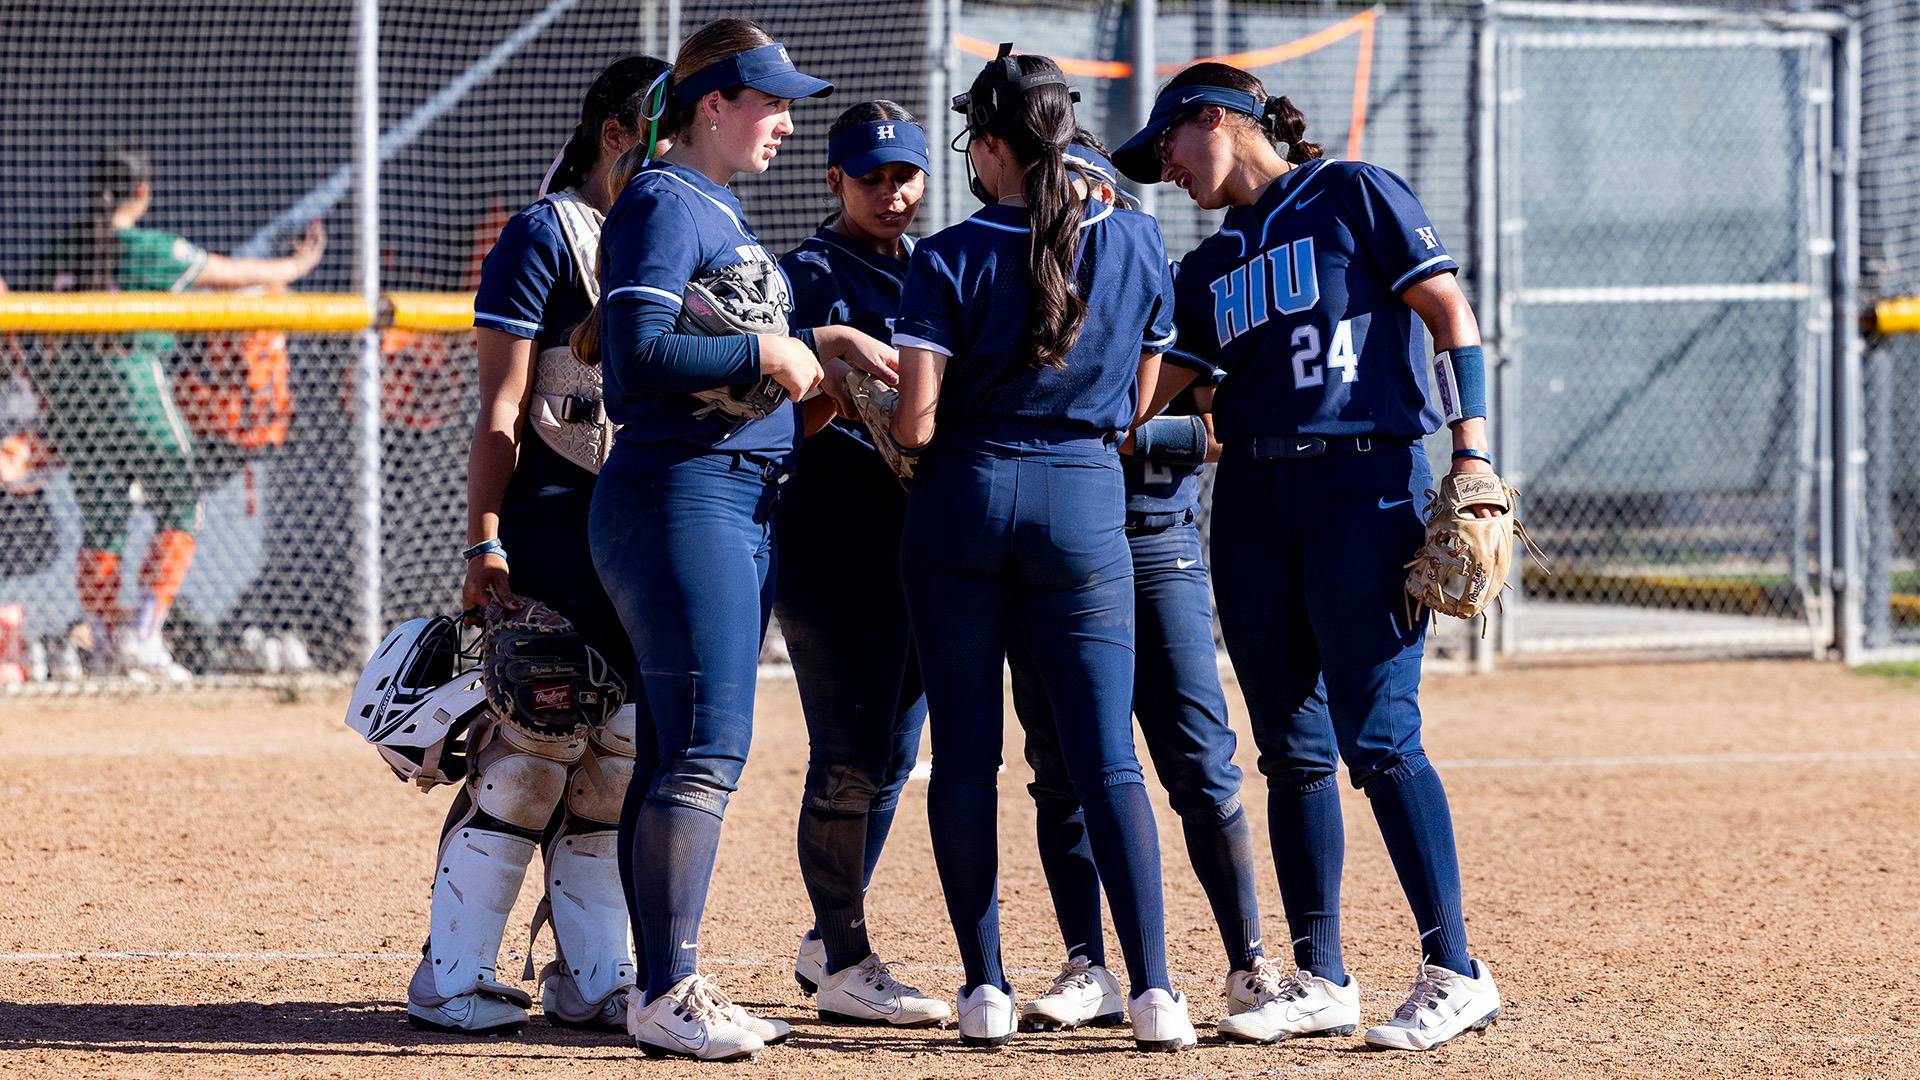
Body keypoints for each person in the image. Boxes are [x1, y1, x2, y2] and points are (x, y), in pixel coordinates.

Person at [1112, 63, 1504, 1051]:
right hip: (1250, 498)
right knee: (1291, 748)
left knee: (1379, 735)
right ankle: (1321, 974)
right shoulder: (1203, 269)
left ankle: (1456, 967)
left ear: (1217, 119)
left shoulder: (1352, 191)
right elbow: (1144, 405)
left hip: (1362, 485)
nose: (1165, 171)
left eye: (1168, 147)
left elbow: (1448, 316)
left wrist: (1474, 456)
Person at [590, 19, 892, 1061]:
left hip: (727, 492)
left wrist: (819, 349)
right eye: (768, 101)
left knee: (677, 749)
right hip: (686, 492)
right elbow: (631, 359)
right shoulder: (668, 200)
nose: (784, 120)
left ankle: (652, 984)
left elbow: (733, 363)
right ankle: (670, 989)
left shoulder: (711, 204)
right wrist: (770, 342)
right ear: (711, 105)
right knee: (708, 747)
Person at [890, 47, 1196, 1053]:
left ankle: (984, 989)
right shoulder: (1139, 239)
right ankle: (1154, 993)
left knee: (968, 761)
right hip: (1082, 498)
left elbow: (918, 427)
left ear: (989, 145)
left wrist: (862, 380)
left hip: (964, 500)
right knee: (1108, 760)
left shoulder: (946, 256)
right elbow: (1139, 402)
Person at [401, 56, 665, 1039]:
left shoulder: (675, 235)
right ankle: (452, 974)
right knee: (531, 752)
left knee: (616, 763)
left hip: (638, 539)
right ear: (615, 135)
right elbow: (501, 411)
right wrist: (484, 547)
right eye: (661, 129)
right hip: (551, 529)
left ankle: (593, 975)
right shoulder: (545, 234)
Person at [1005, 137, 1285, 1044]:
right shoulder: (1016, 284)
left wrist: (1112, 436)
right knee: (1062, 770)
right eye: (1064, 191)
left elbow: (1208, 431)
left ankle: (1249, 964)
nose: (1078, 209)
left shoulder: (1157, 278)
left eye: (1092, 191)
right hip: (1052, 553)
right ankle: (1089, 962)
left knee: (1198, 761)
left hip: (1154, 541)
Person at [773, 100, 949, 1028]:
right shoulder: (799, 276)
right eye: (869, 176)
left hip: (920, 539)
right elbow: (770, 408)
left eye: (904, 175)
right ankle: (845, 956)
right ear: (832, 179)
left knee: (894, 750)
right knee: (847, 754)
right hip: (831, 533)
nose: (891, 192)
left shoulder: (938, 267)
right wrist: (830, 380)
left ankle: (823, 934)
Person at [33, 146, 325, 683]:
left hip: (71, 394)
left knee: (101, 523)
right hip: (132, 383)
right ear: (141, 193)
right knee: (182, 508)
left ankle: (101, 649)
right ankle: (142, 637)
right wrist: (298, 265)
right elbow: (232, 274)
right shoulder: (151, 247)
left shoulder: (63, 246)